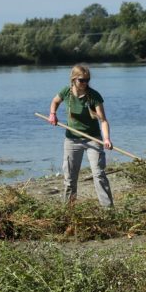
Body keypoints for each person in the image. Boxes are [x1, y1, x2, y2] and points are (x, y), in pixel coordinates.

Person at [48, 64, 114, 208]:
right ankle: (69, 210)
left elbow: (103, 120)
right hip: (72, 140)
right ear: (73, 79)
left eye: (87, 80)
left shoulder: (94, 96)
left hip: (93, 139)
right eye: (81, 80)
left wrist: (107, 138)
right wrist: (53, 114)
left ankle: (108, 210)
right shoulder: (66, 92)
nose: (85, 83)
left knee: (99, 175)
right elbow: (55, 101)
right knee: (70, 178)